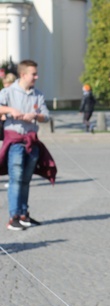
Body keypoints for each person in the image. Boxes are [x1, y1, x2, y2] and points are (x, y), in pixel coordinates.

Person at [0, 60, 56, 230]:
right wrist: (10, 110)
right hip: (16, 142)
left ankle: (24, 214)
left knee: (26, 180)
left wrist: (35, 115)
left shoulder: (37, 94)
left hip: (32, 142)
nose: (36, 77)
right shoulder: (8, 92)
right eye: (33, 74)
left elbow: (46, 116)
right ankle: (14, 217)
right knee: (16, 179)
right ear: (23, 74)